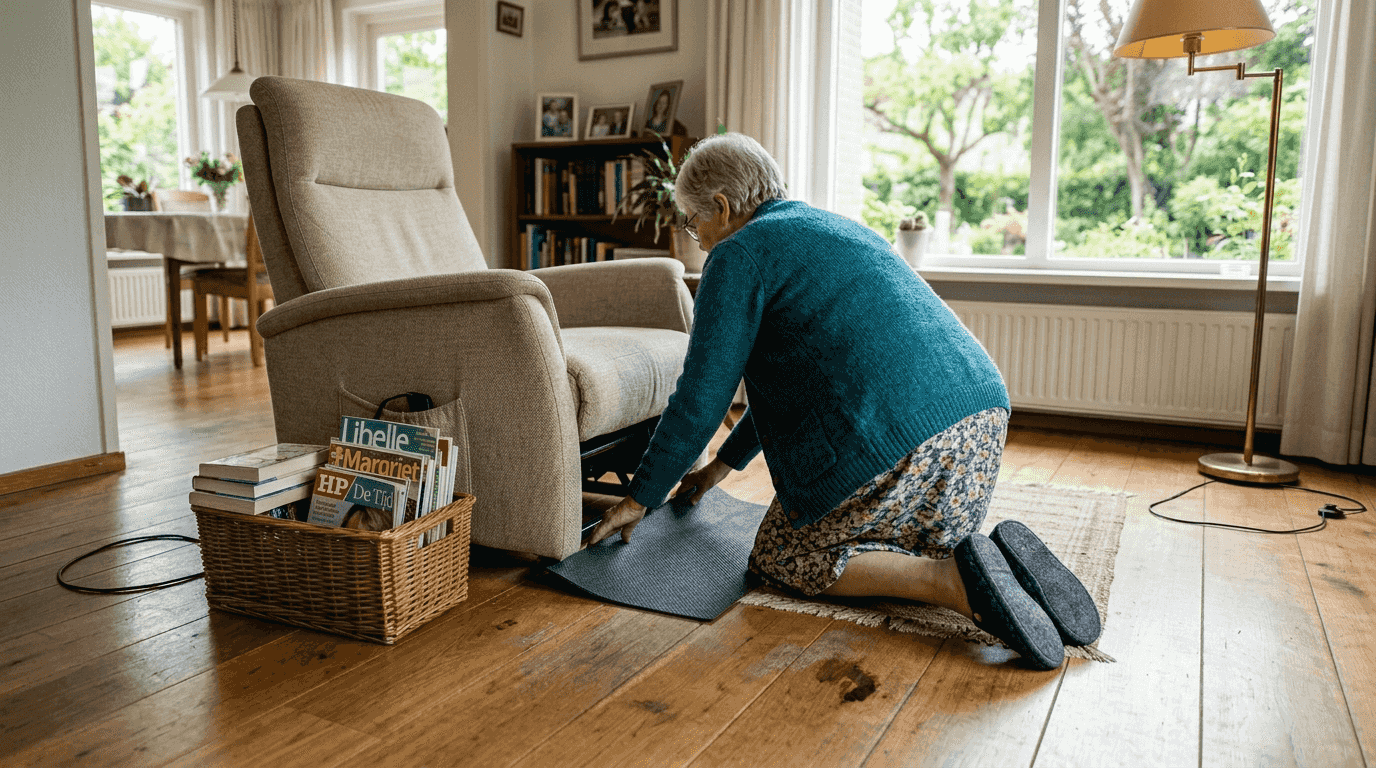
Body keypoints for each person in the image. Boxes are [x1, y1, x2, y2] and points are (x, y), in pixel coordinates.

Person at [587, 133, 1101, 670]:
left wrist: (639, 498)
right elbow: (796, 384)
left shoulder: (738, 254)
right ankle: (1003, 569)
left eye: (694, 222)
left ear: (721, 207)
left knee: (783, 556)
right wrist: (720, 467)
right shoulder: (837, 227)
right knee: (895, 535)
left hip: (903, 450)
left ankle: (951, 582)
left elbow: (701, 396)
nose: (697, 237)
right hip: (978, 433)